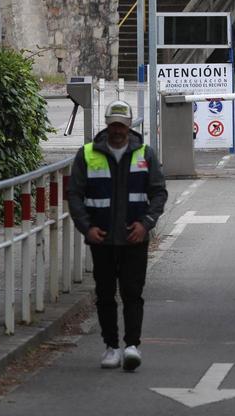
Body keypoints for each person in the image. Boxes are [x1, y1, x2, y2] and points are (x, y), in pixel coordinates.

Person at [68, 100, 167, 372]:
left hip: (134, 238)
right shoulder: (87, 154)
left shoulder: (146, 154)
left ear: (129, 125)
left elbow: (158, 193)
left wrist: (145, 224)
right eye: (113, 125)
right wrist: (86, 227)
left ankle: (132, 346)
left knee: (133, 293)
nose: (117, 130)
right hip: (102, 239)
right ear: (107, 124)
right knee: (105, 294)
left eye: (122, 125)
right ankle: (111, 347)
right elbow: (74, 195)